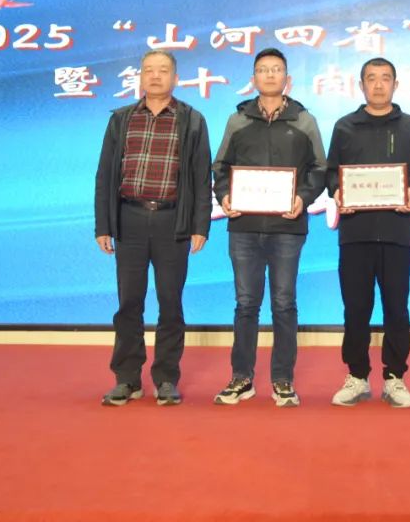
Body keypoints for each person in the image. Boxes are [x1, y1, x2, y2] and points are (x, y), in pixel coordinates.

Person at [95, 50, 213, 407]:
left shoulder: (192, 120)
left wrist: (200, 225)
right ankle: (127, 379)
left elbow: (201, 176)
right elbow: (105, 174)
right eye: (149, 70)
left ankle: (166, 378)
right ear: (140, 77)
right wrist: (103, 225)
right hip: (129, 219)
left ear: (175, 78)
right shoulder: (122, 119)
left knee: (170, 303)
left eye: (163, 70)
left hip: (171, 221)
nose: (155, 76)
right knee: (128, 303)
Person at [211, 48, 327, 407]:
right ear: (254, 78)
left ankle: (282, 379)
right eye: (263, 69)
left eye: (277, 69)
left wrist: (303, 198)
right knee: (246, 304)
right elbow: (220, 166)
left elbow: (319, 169)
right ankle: (241, 377)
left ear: (287, 79)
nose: (270, 75)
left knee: (283, 303)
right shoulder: (238, 120)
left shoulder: (304, 120)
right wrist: (225, 195)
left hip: (287, 228)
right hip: (244, 227)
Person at [325, 58, 410, 408]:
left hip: (396, 233)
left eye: (385, 78)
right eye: (371, 79)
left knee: (396, 308)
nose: (378, 85)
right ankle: (357, 376)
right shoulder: (345, 127)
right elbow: (330, 172)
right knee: (355, 309)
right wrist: (338, 191)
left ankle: (394, 377)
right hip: (355, 234)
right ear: (361, 85)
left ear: (395, 85)